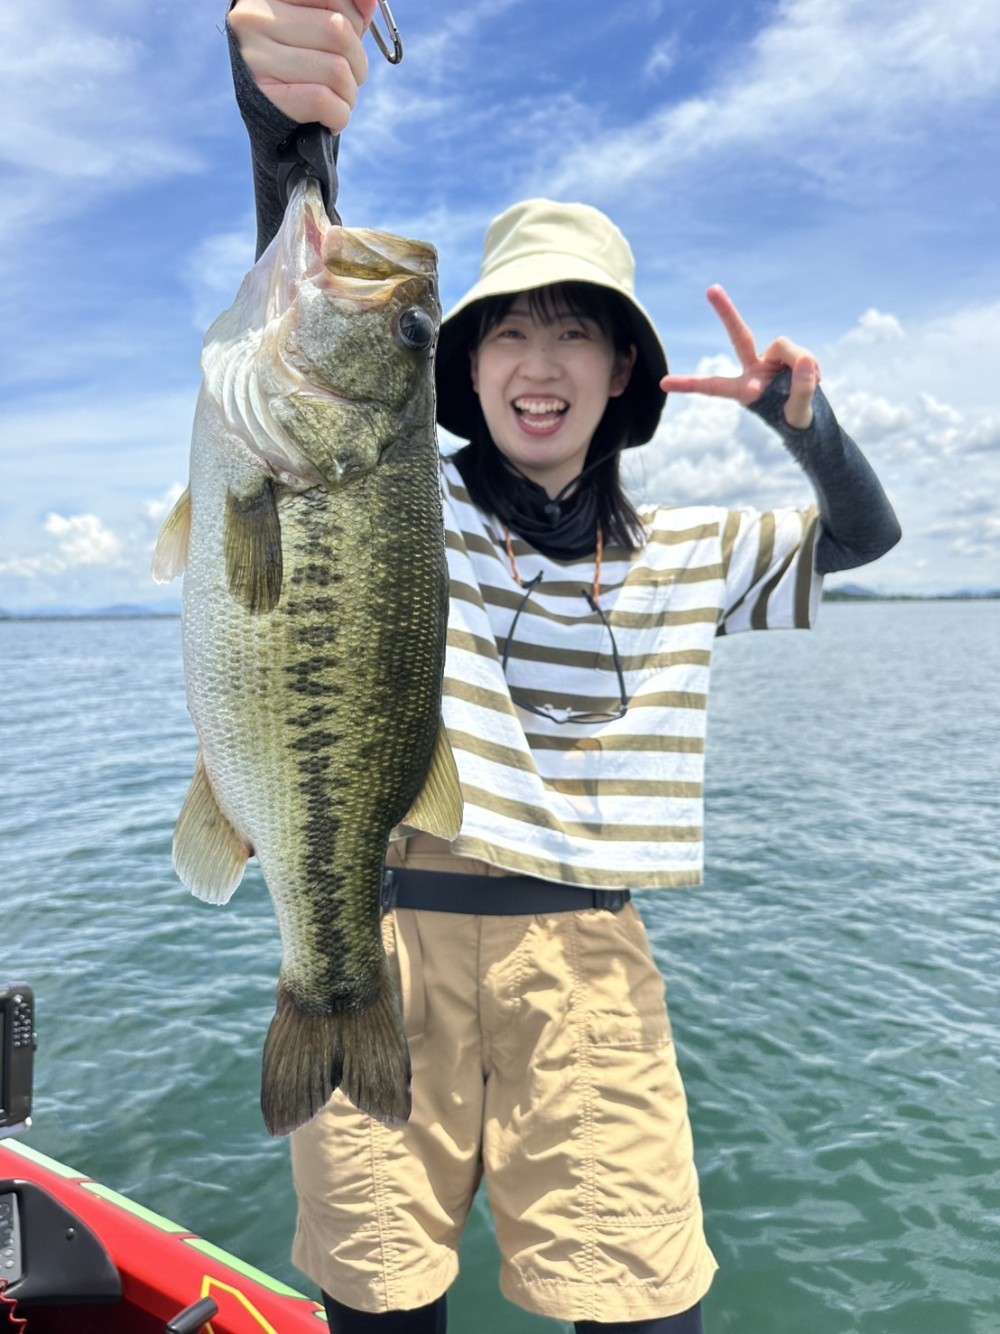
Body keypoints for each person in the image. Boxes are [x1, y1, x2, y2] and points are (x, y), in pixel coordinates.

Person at [224, 4, 902, 1331]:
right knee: (377, 1305)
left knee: (648, 1308)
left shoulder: (688, 551)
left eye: (576, 331)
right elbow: (309, 351)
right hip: (388, 938)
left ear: (623, 369)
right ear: (466, 366)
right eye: (508, 333)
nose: (540, 365)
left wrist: (806, 427)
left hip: (592, 967)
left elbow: (864, 538)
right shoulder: (403, 498)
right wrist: (285, 134)